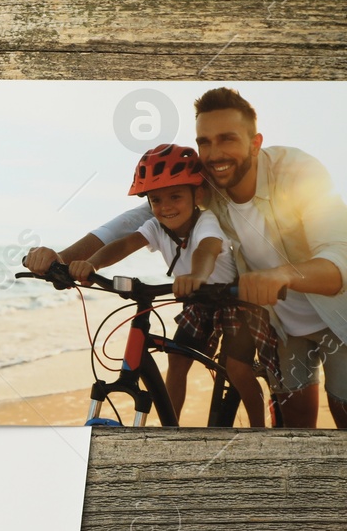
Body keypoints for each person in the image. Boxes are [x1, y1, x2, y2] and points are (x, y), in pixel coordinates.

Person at [25, 87, 347, 427]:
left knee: (342, 413)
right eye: (204, 142)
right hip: (284, 324)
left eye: (227, 139)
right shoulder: (208, 182)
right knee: (298, 428)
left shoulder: (296, 172)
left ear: (255, 142)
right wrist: (63, 258)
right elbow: (140, 220)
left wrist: (282, 274)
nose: (213, 153)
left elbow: (339, 257)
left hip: (336, 316)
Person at [65, 144, 269, 426]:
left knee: (237, 369)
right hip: (198, 303)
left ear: (197, 195)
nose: (166, 207)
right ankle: (170, 427)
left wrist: (196, 276)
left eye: (175, 196)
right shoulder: (156, 226)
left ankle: (260, 431)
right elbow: (125, 243)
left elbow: (207, 250)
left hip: (231, 301)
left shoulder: (206, 220)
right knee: (176, 361)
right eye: (156, 200)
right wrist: (93, 264)